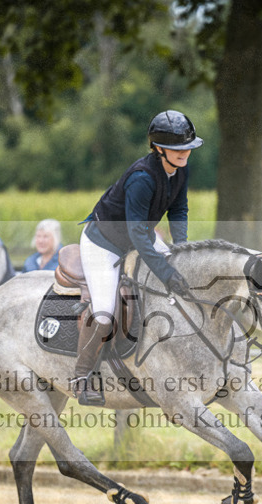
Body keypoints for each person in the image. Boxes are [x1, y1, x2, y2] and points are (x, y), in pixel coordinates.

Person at [72, 110, 203, 406]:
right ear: (158, 148)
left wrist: (180, 252)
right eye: (178, 148)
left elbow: (179, 210)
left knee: (183, 283)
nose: (185, 153)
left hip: (139, 235)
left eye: (187, 147)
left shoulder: (180, 170)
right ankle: (82, 376)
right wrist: (167, 273)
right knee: (104, 312)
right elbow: (138, 237)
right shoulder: (142, 179)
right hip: (104, 243)